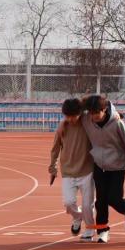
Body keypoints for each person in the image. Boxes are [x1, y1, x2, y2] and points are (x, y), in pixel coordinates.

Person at [81, 94, 125, 244]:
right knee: (101, 200)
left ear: (104, 110)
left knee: (113, 198)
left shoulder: (117, 123)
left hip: (117, 166)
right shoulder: (87, 119)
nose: (94, 116)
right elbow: (74, 109)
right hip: (99, 165)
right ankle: (102, 231)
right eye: (91, 113)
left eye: (97, 113)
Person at [49, 97, 96, 241]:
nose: (70, 119)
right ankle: (77, 217)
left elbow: (100, 104)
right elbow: (55, 149)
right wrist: (53, 168)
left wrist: (115, 114)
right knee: (68, 203)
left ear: (80, 113)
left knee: (88, 205)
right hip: (68, 171)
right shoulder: (62, 126)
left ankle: (90, 229)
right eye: (67, 116)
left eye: (73, 116)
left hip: (87, 170)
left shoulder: (88, 122)